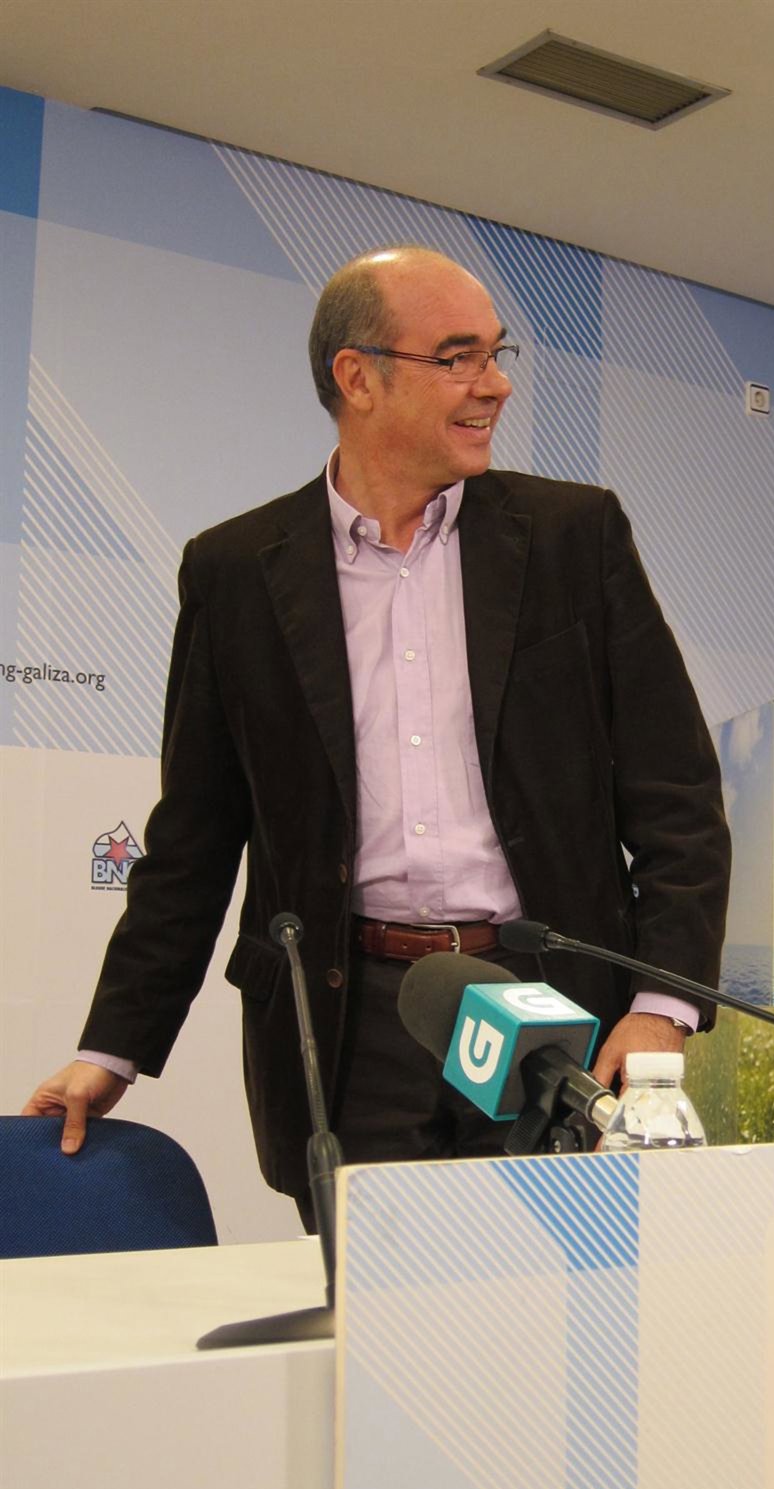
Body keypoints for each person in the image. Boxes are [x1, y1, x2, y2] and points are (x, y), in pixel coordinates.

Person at [22, 246, 730, 1211]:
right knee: (366, 1299)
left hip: (555, 1010)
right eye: (458, 356)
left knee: (554, 1292)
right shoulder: (235, 571)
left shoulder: (575, 537)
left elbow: (676, 796)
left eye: (496, 353)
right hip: (347, 1023)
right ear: (357, 377)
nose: (495, 383)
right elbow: (192, 838)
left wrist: (662, 1009)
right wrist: (113, 1048)